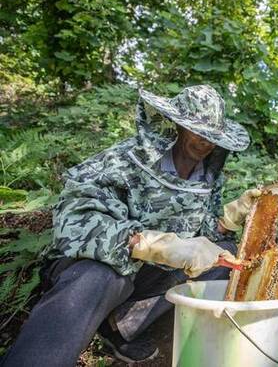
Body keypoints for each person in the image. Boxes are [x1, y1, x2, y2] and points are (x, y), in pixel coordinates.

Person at [1, 85, 261, 366]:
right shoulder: (123, 160)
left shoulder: (208, 176)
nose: (205, 143)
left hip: (149, 275)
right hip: (100, 271)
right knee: (100, 275)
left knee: (224, 256)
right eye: (197, 132)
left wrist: (228, 219)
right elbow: (74, 221)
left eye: (212, 137)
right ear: (177, 125)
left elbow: (201, 238)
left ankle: (122, 327)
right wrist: (152, 245)